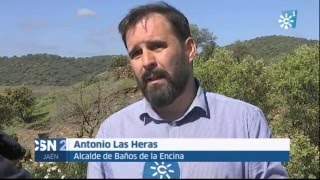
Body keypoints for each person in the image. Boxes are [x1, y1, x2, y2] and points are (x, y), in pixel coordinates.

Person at [87, 1, 288, 178]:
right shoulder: (111, 133)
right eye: (136, 53)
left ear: (189, 49)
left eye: (157, 46)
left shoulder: (246, 123)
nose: (147, 61)